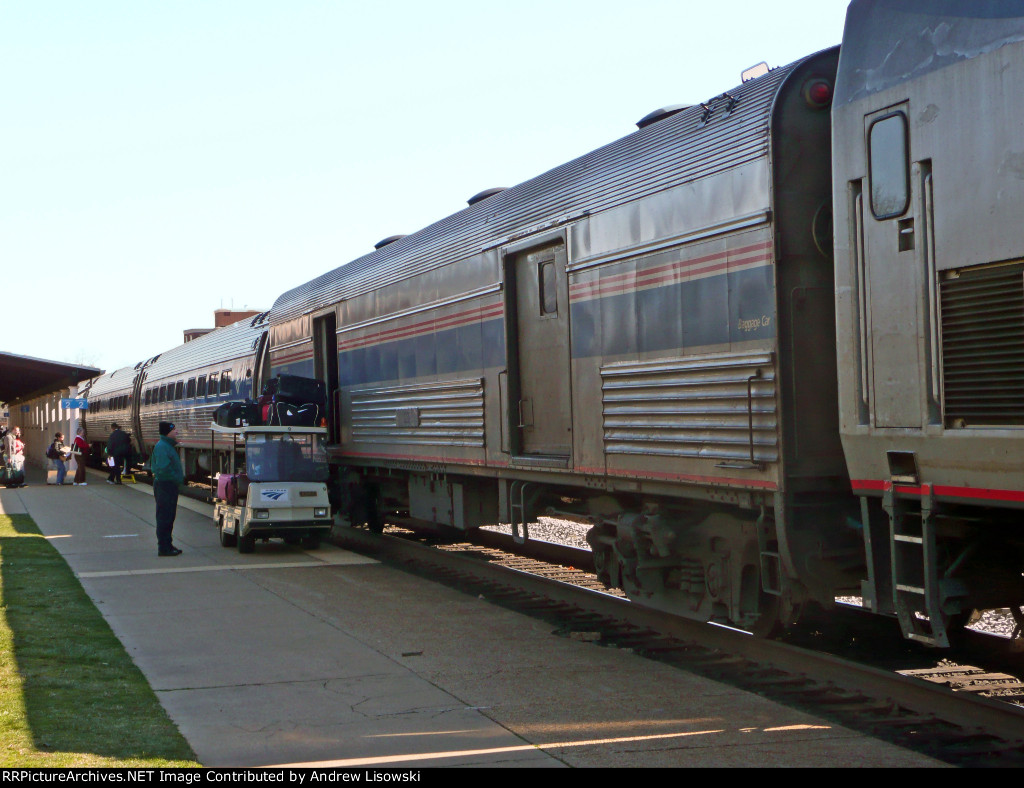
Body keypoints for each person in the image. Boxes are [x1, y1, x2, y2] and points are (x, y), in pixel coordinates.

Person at [151, 421, 184, 557]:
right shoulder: (163, 447)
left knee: (169, 516)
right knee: (165, 517)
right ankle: (164, 548)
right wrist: (176, 478)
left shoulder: (165, 446)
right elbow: (163, 469)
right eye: (174, 429)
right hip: (165, 485)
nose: (176, 432)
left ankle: (167, 545)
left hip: (168, 485)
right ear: (167, 432)